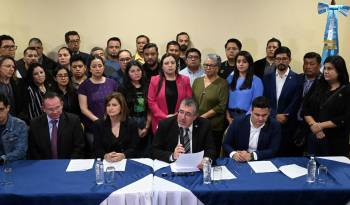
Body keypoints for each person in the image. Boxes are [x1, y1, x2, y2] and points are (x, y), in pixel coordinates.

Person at [303, 55, 350, 156]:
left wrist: (320, 126)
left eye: (330, 68)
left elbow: (346, 118)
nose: (325, 71)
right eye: (325, 68)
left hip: (336, 141)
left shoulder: (347, 90)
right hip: (314, 138)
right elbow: (305, 108)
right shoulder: (318, 84)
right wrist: (314, 126)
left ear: (339, 70)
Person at [263, 46, 303, 156]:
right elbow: (265, 99)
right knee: (269, 155)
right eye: (278, 59)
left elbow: (296, 100)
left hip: (288, 124)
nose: (281, 61)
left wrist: (286, 115)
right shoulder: (267, 78)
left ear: (289, 60)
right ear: (275, 60)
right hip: (270, 122)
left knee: (285, 155)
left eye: (284, 58)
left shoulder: (297, 78)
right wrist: (274, 115)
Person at [153, 98, 216, 163]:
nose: (183, 118)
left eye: (188, 114)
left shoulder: (204, 125)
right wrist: (172, 156)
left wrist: (206, 160)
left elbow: (211, 150)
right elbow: (154, 150)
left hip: (197, 166)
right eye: (181, 112)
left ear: (195, 117)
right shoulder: (165, 125)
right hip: (173, 165)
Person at [28, 92, 85, 159]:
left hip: (68, 162)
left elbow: (79, 147)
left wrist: (68, 163)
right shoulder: (35, 124)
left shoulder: (73, 120)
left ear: (62, 105)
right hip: (44, 165)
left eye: (57, 107)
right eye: (50, 109)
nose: (55, 112)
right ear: (43, 109)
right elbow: (33, 150)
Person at [223, 96, 281, 161]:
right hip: (239, 160)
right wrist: (234, 154)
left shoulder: (275, 125)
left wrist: (252, 156)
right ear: (251, 111)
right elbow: (226, 144)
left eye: (264, 115)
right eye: (257, 115)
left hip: (261, 161)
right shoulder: (238, 122)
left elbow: (273, 150)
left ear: (269, 112)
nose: (260, 119)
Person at [192, 53, 228, 156]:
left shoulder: (223, 83)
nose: (207, 68)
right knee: (197, 153)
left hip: (214, 126)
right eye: (205, 65)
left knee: (211, 154)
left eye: (211, 65)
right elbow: (192, 99)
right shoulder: (197, 81)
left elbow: (221, 106)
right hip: (196, 124)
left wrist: (203, 117)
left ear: (217, 68)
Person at [78, 56, 117, 147]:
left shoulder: (112, 83)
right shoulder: (84, 86)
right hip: (93, 125)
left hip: (112, 123)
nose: (97, 69)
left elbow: (118, 103)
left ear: (104, 67)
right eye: (94, 66)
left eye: (100, 66)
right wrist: (98, 121)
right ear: (89, 69)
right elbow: (83, 108)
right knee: (97, 153)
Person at [148, 54, 192, 134]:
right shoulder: (154, 80)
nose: (170, 65)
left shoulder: (185, 80)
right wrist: (164, 116)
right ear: (162, 66)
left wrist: (178, 115)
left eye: (172, 62)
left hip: (180, 119)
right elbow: (151, 102)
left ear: (176, 65)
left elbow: (188, 101)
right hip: (160, 120)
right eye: (166, 63)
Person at [118, 61, 152, 157]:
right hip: (129, 124)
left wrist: (146, 127)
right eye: (132, 71)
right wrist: (135, 128)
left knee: (146, 154)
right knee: (132, 154)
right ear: (127, 74)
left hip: (146, 122)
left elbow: (150, 108)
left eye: (138, 70)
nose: (136, 73)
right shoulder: (122, 88)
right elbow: (122, 110)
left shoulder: (148, 85)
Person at [93, 92, 139, 161]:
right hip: (106, 162)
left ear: (122, 106)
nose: (110, 108)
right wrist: (105, 156)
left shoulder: (131, 124)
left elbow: (135, 148)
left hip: (126, 161)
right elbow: (96, 148)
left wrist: (124, 155)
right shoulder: (99, 124)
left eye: (114, 105)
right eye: (108, 105)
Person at [226, 51, 263, 124]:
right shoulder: (230, 78)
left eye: (244, 62)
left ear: (249, 64)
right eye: (238, 61)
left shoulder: (256, 80)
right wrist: (227, 116)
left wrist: (245, 118)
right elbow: (225, 99)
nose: (241, 64)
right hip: (228, 116)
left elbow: (256, 103)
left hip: (246, 116)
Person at [0, 93, 27, 163]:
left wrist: (3, 159)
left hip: (16, 166)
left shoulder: (20, 125)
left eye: (1, 109)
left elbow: (21, 151)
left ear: (8, 108)